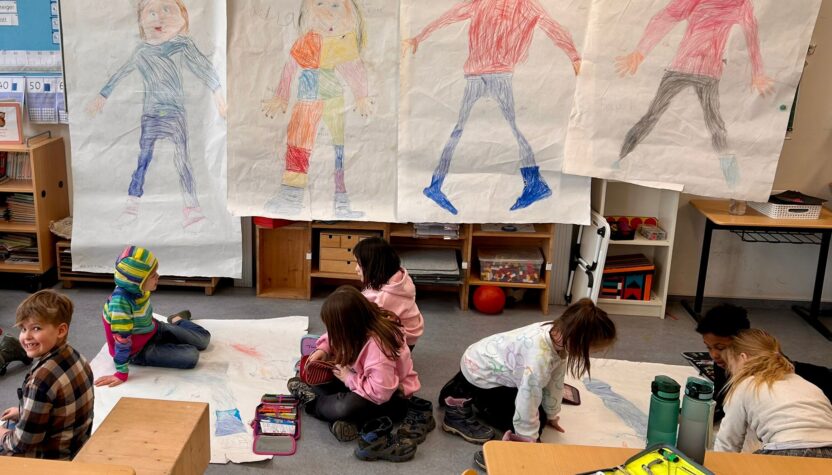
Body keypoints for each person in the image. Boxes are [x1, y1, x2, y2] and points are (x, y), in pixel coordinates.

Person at [403, 0, 581, 214]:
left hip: (496, 75)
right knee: (474, 128)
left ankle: (437, 185)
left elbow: (554, 28)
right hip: (479, 76)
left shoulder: (523, 5)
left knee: (498, 129)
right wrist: (418, 37)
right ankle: (437, 185)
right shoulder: (485, 2)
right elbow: (450, 15)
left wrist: (575, 57)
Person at [87, 0, 227, 229]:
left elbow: (205, 69)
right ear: (141, 21)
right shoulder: (141, 51)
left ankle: (193, 211)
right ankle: (131, 207)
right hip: (151, 115)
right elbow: (121, 73)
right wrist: (102, 96)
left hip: (175, 114)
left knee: (183, 160)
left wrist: (220, 98)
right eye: (151, 13)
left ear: (183, 17)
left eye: (166, 10)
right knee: (143, 160)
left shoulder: (182, 46)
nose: (159, 18)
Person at [437, 298, 616, 469]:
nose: (592, 354)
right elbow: (527, 399)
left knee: (540, 417)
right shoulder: (539, 359)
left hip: (484, 359)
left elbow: (556, 379)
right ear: (578, 342)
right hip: (481, 373)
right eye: (592, 351)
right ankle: (459, 407)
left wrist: (552, 413)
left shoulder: (559, 332)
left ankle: (463, 387)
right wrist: (527, 441)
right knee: (531, 422)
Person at [616, 0, 773, 184]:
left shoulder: (741, 4)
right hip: (681, 67)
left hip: (708, 74)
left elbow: (752, 35)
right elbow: (665, 17)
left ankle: (733, 180)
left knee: (716, 126)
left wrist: (758, 72)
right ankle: (619, 159)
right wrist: (640, 52)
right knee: (652, 116)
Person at [262, 0, 370, 218]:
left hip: (333, 101)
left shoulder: (344, 40)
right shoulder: (307, 40)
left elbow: (354, 70)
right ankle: (290, 198)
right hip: (306, 101)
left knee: (337, 150)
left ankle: (341, 203)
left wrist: (361, 96)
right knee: (297, 148)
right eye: (320, 3)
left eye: (335, 5)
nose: (327, 10)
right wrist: (281, 96)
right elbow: (290, 68)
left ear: (348, 10)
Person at [287, 287, 421, 453]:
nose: (333, 333)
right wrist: (324, 349)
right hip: (363, 381)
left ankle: (313, 404)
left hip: (390, 398)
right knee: (322, 378)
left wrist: (348, 378)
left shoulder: (379, 349)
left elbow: (380, 392)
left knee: (344, 407)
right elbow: (332, 335)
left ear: (349, 327)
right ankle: (349, 422)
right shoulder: (361, 322)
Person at [95, 245, 211, 388]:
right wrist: (121, 373)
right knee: (192, 356)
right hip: (138, 351)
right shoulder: (120, 304)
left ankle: (176, 319)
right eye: (152, 275)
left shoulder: (137, 288)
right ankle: (166, 343)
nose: (158, 276)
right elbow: (122, 340)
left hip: (153, 329)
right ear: (138, 281)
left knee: (204, 339)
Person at [695, 304, 831, 420]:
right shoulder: (723, 362)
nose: (714, 355)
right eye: (708, 347)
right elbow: (722, 400)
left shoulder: (767, 366)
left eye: (721, 348)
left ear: (742, 340)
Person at [0, 290, 94, 459]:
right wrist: (23, 412)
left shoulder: (40, 381)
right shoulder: (77, 356)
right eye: (23, 328)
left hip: (50, 459)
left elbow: (22, 443)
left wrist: (2, 434)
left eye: (36, 328)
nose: (26, 336)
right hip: (76, 446)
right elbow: (61, 411)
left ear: (61, 330)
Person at [714, 329, 832, 457]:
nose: (732, 373)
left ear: (743, 358)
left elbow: (728, 442)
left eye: (731, 366)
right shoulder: (805, 383)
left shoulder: (746, 385)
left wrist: (716, 464)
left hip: (787, 449)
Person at [353, 237, 424, 350]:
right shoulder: (399, 277)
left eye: (359, 264)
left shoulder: (384, 298)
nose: (356, 269)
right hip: (408, 336)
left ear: (373, 267)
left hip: (399, 342)